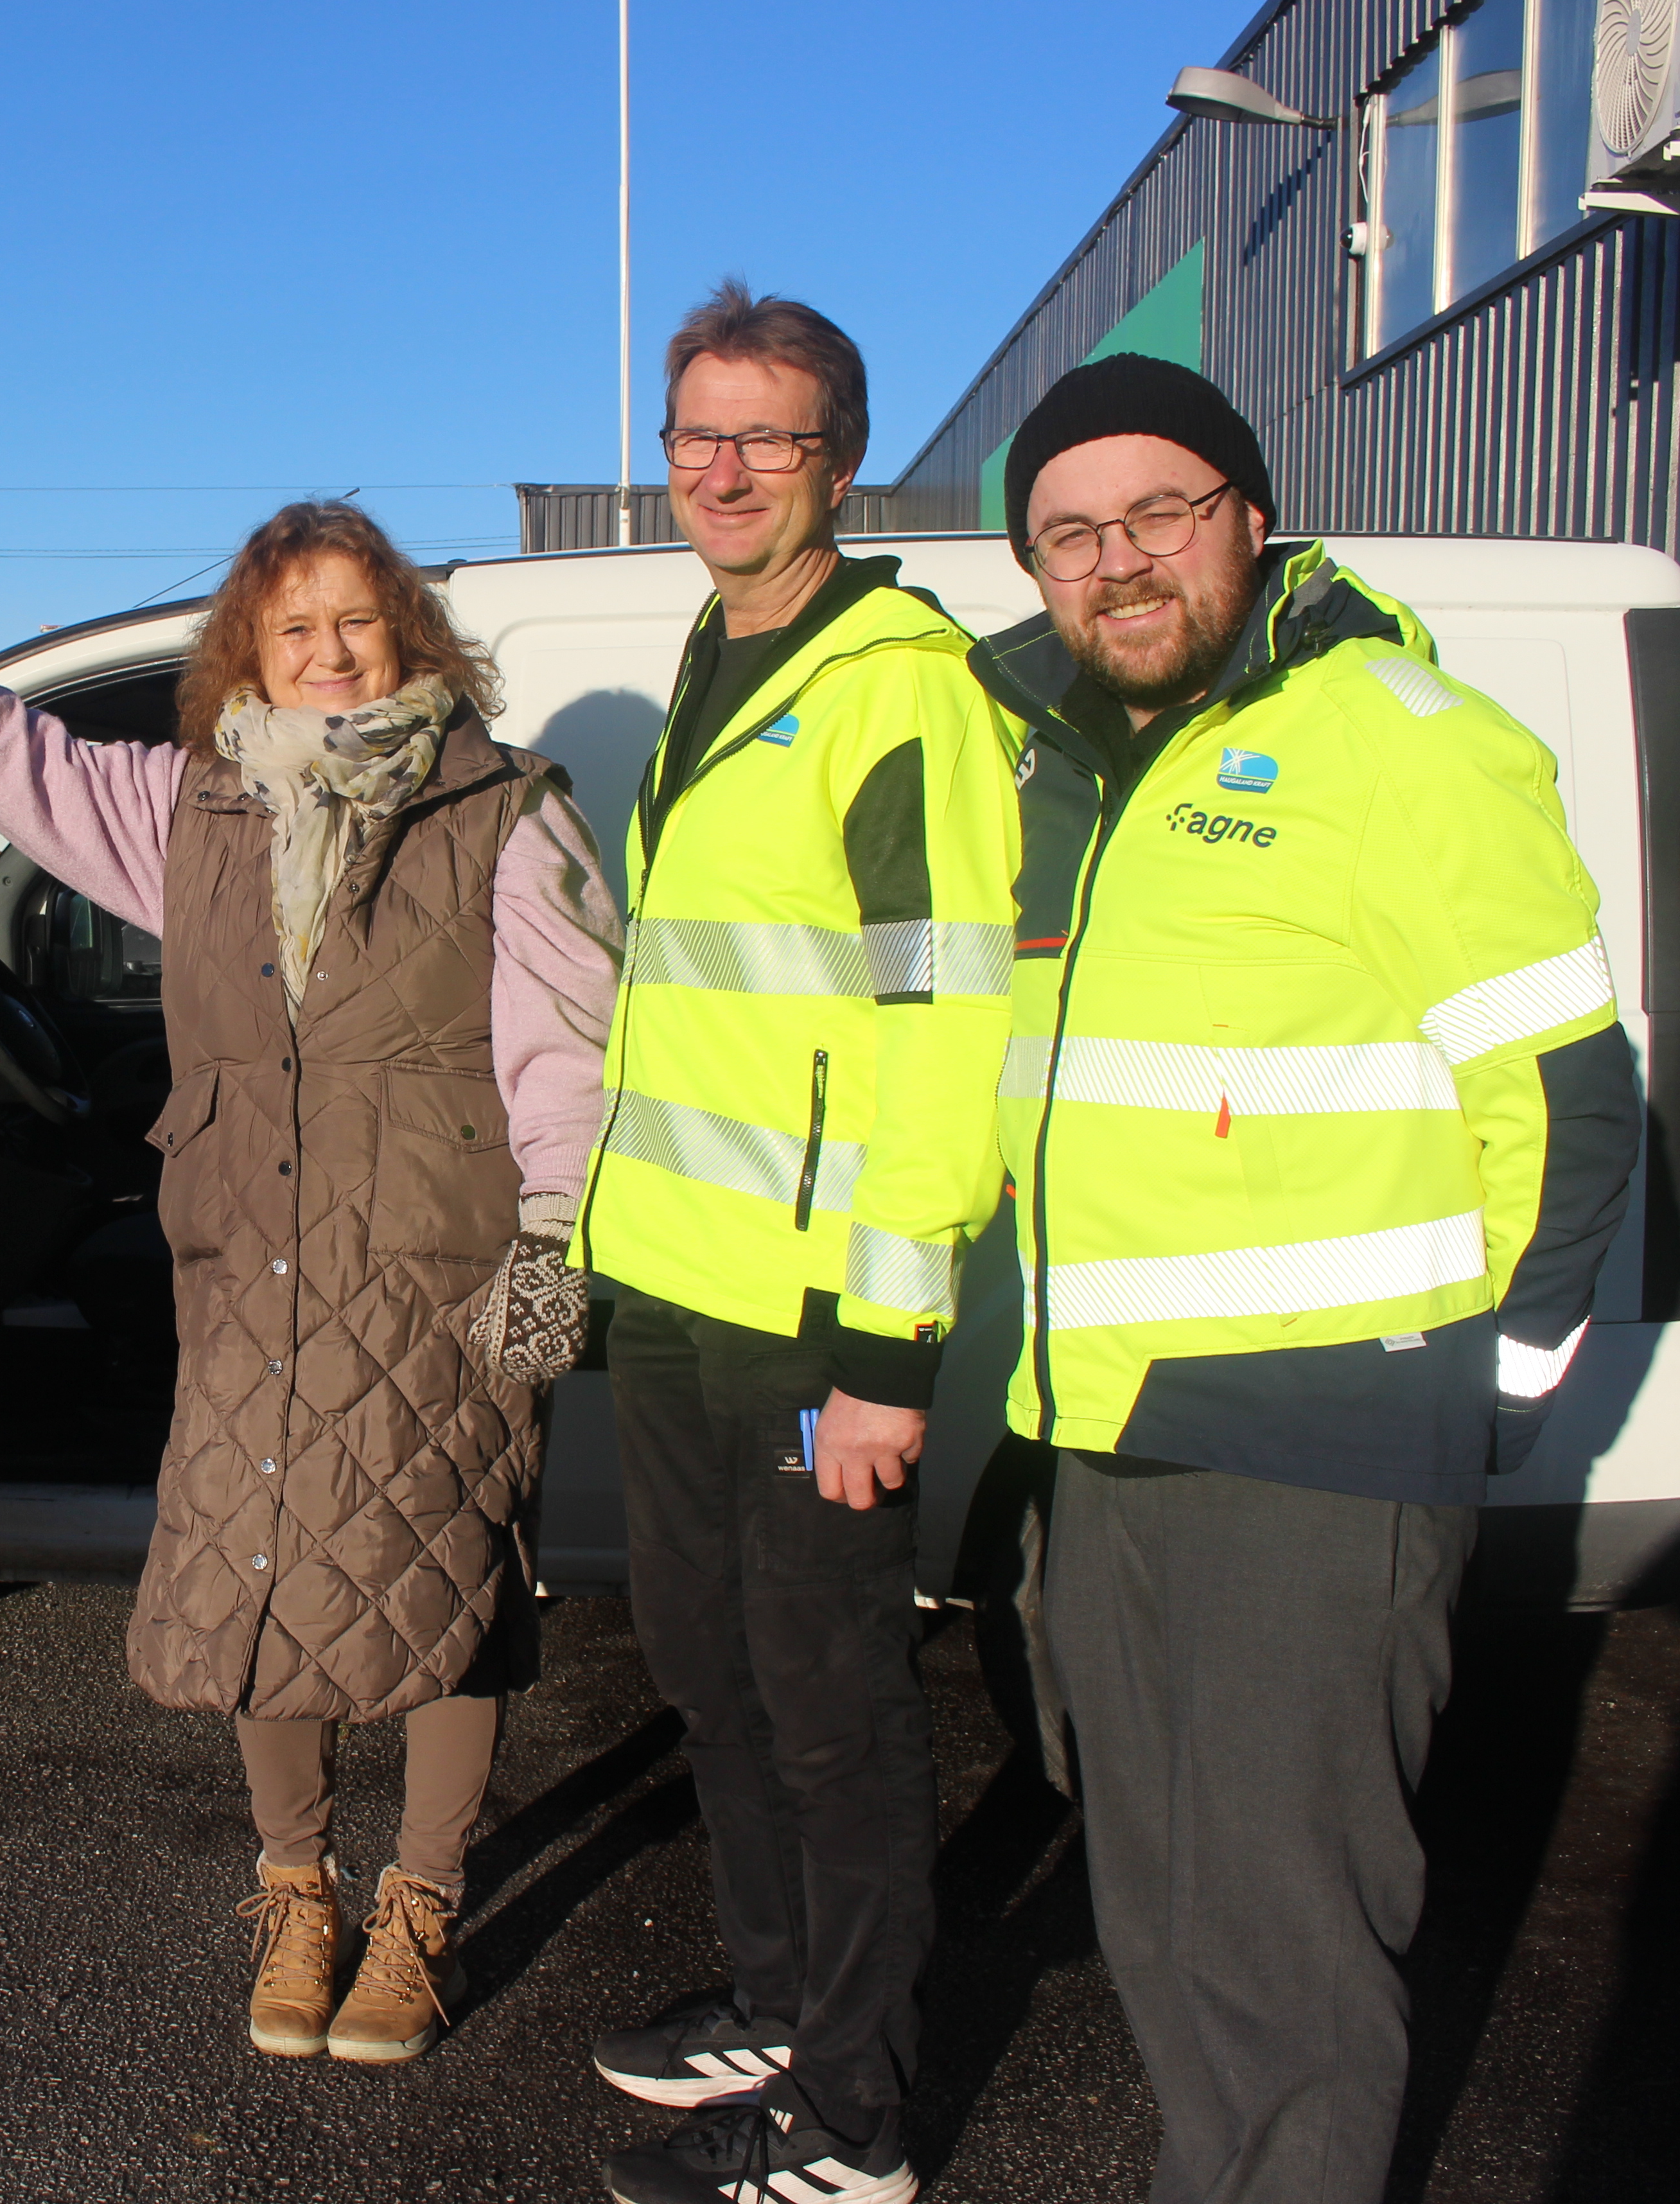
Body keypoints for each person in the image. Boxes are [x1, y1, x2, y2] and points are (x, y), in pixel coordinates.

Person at [970, 355, 1635, 2203]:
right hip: (1113, 1433)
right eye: (1071, 533)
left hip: (1322, 1445)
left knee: (1284, 1936)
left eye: (1158, 513)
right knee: (1168, 1911)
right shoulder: (1088, 778)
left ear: (1249, 518)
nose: (1118, 563)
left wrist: (1479, 1392)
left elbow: (1575, 1104)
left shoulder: (1397, 736)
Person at [0, 473, 622, 2065]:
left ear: (406, 637)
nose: (330, 653)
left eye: (357, 622)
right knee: (260, 1572)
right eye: (295, 627)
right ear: (247, 655)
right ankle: (294, 1889)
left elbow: (572, 1045)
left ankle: (419, 1906)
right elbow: (10, 764)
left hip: (430, 1271)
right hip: (247, 1272)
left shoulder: (504, 804)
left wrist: (554, 1241)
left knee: (443, 1587)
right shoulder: (189, 810)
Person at [579, 282, 1022, 2204]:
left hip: (813, 1312)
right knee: (710, 1670)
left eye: (765, 437)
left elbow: (941, 1036)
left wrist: (884, 1353)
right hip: (682, 1287)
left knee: (834, 1713)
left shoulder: (898, 681)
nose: (725, 469)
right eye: (698, 434)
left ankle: (853, 2123)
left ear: (840, 460)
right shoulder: (716, 648)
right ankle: (773, 2001)